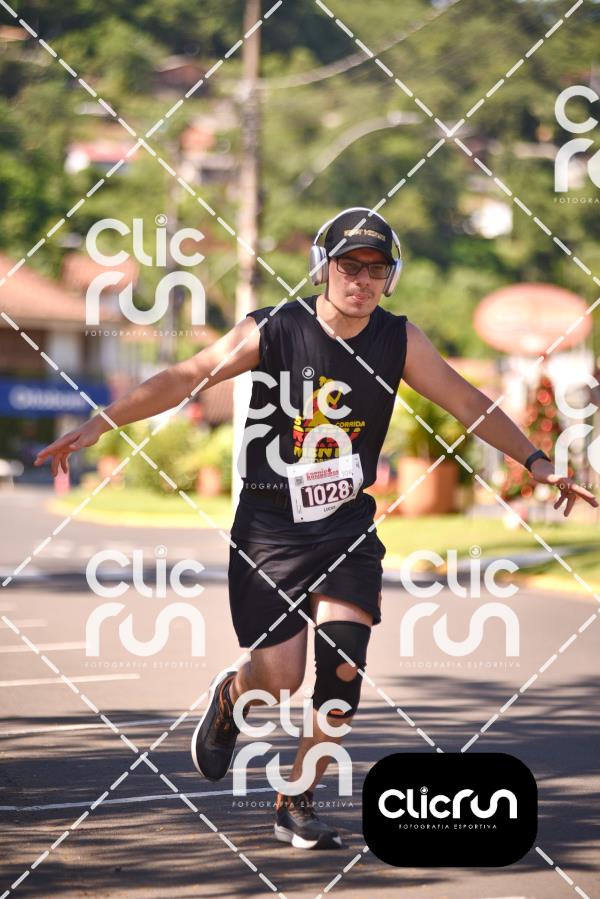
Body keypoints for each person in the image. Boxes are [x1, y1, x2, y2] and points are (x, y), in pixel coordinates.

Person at [35, 207, 598, 851]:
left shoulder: (400, 340)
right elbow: (188, 376)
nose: (362, 280)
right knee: (279, 679)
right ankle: (233, 696)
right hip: (270, 525)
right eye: (349, 265)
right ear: (322, 268)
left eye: (376, 269)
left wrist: (537, 461)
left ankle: (296, 798)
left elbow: (469, 401)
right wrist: (100, 423)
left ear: (391, 278)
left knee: (341, 672)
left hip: (347, 525)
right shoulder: (273, 329)